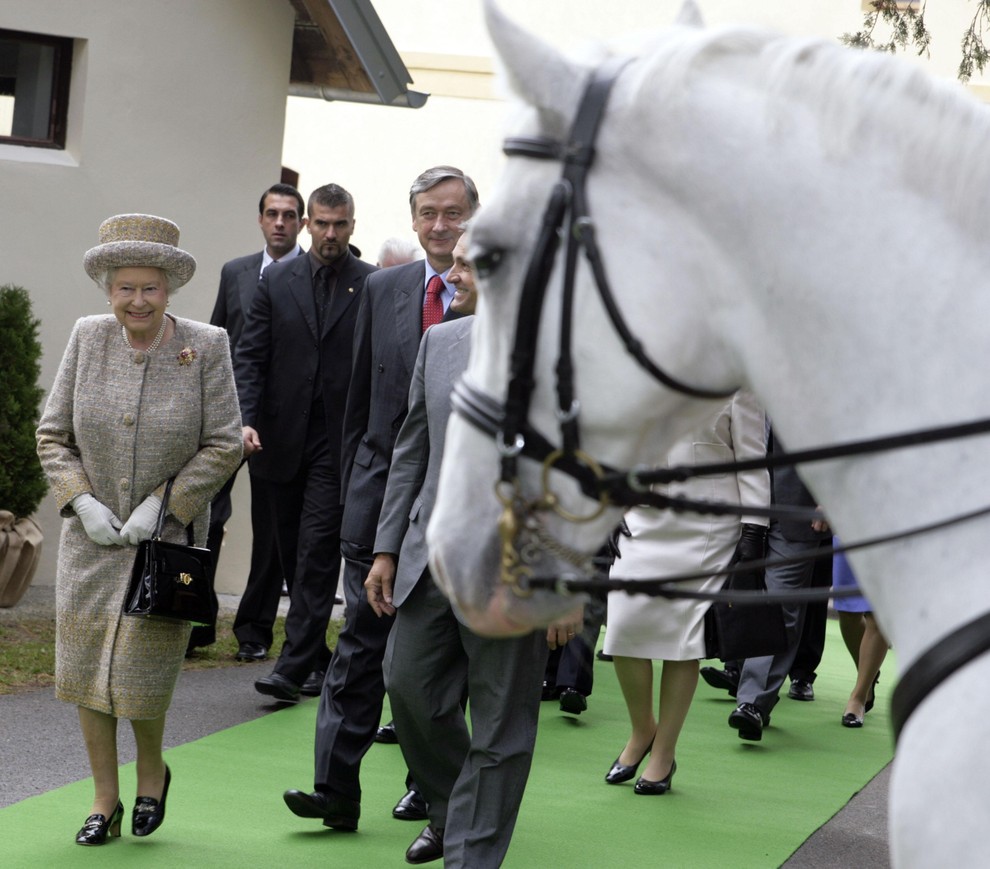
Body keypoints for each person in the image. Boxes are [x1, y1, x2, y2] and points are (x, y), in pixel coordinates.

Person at [364, 234, 579, 865]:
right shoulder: (440, 342)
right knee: (408, 691)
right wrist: (384, 550)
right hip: (426, 560)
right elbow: (411, 453)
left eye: (464, 264)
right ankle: (453, 810)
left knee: (501, 724)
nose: (449, 273)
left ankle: (471, 854)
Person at [282, 166, 478, 833]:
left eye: (453, 213)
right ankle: (334, 787)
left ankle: (429, 787)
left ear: (472, 217)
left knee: (434, 661)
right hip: (379, 502)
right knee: (360, 644)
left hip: (459, 514)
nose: (440, 225)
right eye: (428, 212)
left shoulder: (495, 296)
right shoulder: (384, 288)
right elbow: (359, 404)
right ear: (414, 216)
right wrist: (353, 498)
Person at [35, 213, 242, 845]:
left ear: (169, 288)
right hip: (92, 544)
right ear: (108, 288)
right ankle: (105, 800)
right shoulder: (87, 337)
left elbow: (225, 441)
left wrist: (167, 504)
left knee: (142, 673)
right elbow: (52, 435)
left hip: (165, 546)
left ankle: (152, 769)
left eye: (149, 288)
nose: (137, 301)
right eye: (126, 287)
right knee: (86, 676)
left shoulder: (205, 345)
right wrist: (82, 501)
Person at [235, 182, 376, 701]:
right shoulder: (276, 282)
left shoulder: (373, 284)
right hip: (277, 438)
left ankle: (290, 668)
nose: (330, 233)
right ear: (308, 224)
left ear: (352, 226)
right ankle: (317, 656)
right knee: (289, 551)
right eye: (322, 223)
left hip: (337, 444)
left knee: (317, 552)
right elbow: (251, 356)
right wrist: (245, 420)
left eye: (340, 224)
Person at [603, 392, 769, 794]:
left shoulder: (739, 382)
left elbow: (753, 459)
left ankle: (664, 753)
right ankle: (643, 730)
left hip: (707, 526)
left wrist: (754, 528)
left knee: (683, 642)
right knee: (622, 629)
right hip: (643, 514)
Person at [201, 183, 305, 661]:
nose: (280, 222)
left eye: (289, 214)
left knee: (270, 531)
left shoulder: (310, 276)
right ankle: (192, 623)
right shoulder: (236, 272)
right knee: (205, 514)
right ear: (261, 220)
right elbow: (217, 338)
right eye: (272, 213)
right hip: (226, 417)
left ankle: (253, 633)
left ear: (301, 222)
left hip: (280, 425)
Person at [724, 435, 832, 741]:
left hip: (798, 513)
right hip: (738, 506)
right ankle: (744, 682)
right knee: (739, 596)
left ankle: (752, 703)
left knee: (781, 606)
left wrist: (829, 497)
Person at [833, 546, 890, 728]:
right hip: (852, 527)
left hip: (900, 531)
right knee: (848, 611)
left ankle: (859, 696)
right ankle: (868, 674)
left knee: (880, 613)